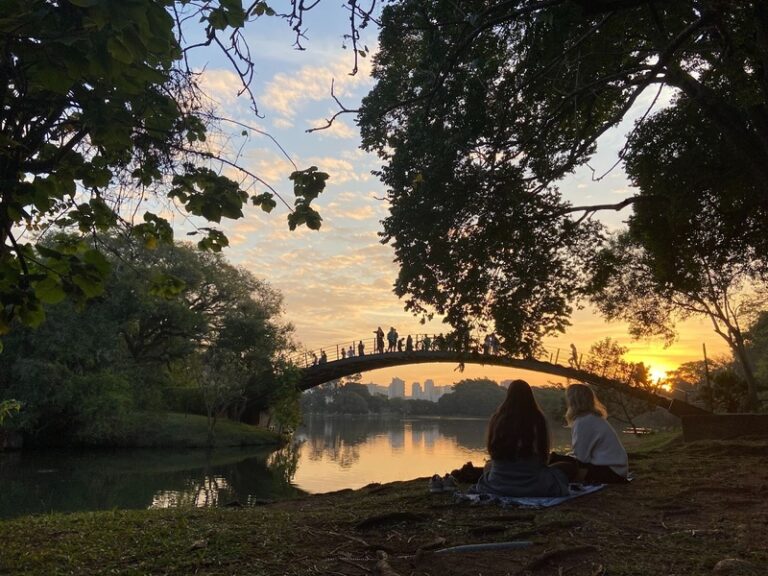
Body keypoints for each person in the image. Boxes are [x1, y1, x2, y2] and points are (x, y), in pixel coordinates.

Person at [474, 379, 574, 497]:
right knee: (568, 467)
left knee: (489, 465)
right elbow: (544, 458)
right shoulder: (537, 418)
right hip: (533, 483)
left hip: (499, 483)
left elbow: (492, 452)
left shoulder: (497, 418)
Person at [561, 383, 628, 483]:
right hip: (618, 470)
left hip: (610, 472)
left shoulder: (583, 421)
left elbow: (582, 458)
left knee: (556, 462)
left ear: (573, 401)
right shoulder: (594, 418)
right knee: (561, 460)